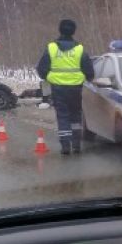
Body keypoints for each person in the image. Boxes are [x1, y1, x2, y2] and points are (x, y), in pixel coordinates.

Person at [36, 18, 95, 154]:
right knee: (75, 115)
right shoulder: (79, 49)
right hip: (75, 87)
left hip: (58, 88)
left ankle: (65, 146)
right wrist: (88, 78)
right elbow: (89, 70)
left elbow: (42, 69)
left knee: (62, 116)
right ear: (74, 31)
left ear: (59, 30)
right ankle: (76, 145)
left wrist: (49, 77)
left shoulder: (51, 48)